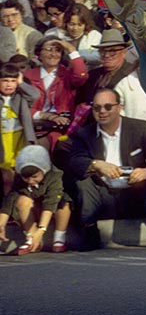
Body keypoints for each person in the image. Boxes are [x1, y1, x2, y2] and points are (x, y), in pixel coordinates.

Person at [61, 88, 146, 250]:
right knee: (84, 180)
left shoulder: (139, 128)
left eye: (108, 107)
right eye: (97, 108)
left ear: (119, 107)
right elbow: (74, 161)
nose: (102, 111)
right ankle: (90, 231)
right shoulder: (84, 133)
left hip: (134, 190)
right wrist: (97, 164)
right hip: (104, 194)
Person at [0, 144, 70, 254]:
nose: (30, 181)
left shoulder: (54, 175)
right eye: (26, 177)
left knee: (64, 205)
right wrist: (2, 224)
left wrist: (41, 231)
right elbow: (10, 198)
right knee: (21, 201)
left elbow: (50, 203)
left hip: (52, 208)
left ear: (43, 170)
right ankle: (31, 238)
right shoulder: (19, 177)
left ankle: (59, 238)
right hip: (35, 207)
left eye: (34, 177)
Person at [23, 37, 88, 153]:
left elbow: (81, 76)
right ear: (39, 53)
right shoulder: (28, 75)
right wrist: (45, 115)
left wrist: (71, 49)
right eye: (49, 49)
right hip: (33, 125)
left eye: (58, 50)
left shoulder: (67, 74)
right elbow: (22, 106)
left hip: (61, 128)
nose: (53, 54)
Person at [1, 64, 35, 197]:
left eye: (13, 81)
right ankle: (7, 206)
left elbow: (35, 95)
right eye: (5, 80)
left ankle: (20, 205)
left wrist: (21, 83)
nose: (9, 84)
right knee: (7, 177)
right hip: (3, 141)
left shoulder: (20, 96)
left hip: (19, 138)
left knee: (21, 174)